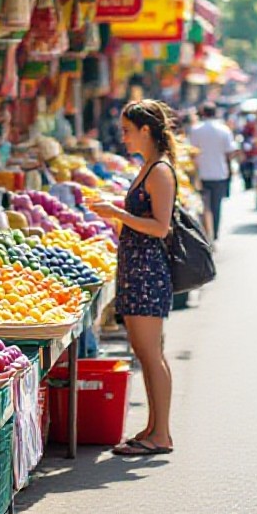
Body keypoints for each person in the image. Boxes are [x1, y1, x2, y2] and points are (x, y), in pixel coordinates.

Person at [89, 100, 177, 457]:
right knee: (148, 352)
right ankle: (155, 428)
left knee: (149, 354)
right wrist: (117, 207)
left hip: (147, 271)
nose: (122, 137)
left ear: (146, 130)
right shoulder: (148, 168)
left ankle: (161, 434)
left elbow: (160, 227)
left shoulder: (159, 171)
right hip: (136, 269)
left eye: (127, 130)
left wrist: (117, 213)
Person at [187, 102, 235, 241]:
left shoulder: (196, 130)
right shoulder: (224, 130)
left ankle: (205, 233)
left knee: (203, 206)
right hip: (220, 173)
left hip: (202, 174)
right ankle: (215, 234)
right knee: (216, 206)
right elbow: (229, 153)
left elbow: (192, 152)